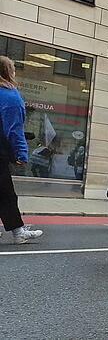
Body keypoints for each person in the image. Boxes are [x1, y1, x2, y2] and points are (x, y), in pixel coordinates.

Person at [0, 56, 44, 244]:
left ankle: (18, 231)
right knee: (6, 193)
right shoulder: (10, 96)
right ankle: (18, 232)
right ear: (8, 72)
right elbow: (14, 129)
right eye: (13, 69)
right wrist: (21, 153)